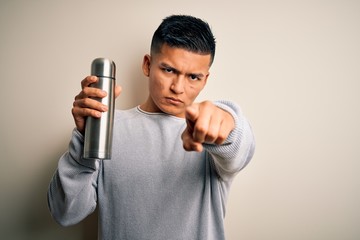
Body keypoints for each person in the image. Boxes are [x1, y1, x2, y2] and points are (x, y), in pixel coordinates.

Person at [47, 15, 255, 240]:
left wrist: (228, 122)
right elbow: (65, 213)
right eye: (168, 70)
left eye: (193, 77)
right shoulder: (106, 129)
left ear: (205, 80)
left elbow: (239, 148)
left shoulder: (210, 132)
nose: (178, 87)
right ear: (148, 65)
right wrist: (84, 139)